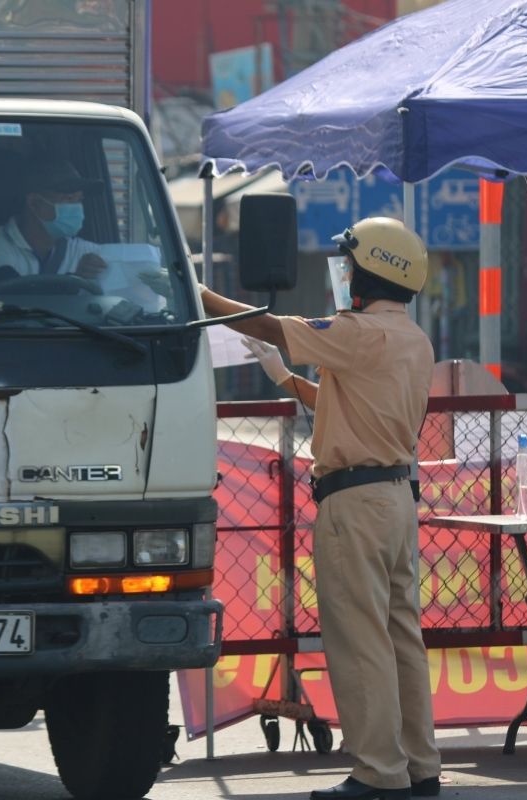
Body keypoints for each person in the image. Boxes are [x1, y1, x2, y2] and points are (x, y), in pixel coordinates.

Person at [201, 217, 441, 800]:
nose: (344, 274)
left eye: (349, 264)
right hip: (394, 499)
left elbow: (272, 325)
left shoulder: (358, 332)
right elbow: (349, 403)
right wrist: (287, 381)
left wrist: (199, 292)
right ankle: (418, 767)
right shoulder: (411, 339)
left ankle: (378, 775)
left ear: (370, 271)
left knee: (360, 639)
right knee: (399, 635)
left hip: (354, 503)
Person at [0, 158, 108, 294]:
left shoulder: (86, 253)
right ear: (34, 203)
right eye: (68, 199)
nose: (76, 208)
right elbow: (16, 304)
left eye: (79, 200)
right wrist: (76, 279)